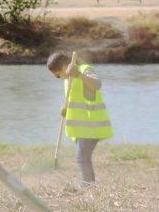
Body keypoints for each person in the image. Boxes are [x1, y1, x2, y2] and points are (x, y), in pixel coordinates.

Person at [46, 53, 112, 188]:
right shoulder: (67, 80)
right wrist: (66, 108)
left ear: (65, 67)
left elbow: (96, 84)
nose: (59, 78)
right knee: (83, 157)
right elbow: (76, 98)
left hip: (92, 125)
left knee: (81, 157)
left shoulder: (83, 70)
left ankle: (87, 187)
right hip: (82, 128)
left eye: (58, 75)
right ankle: (89, 187)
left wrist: (79, 75)